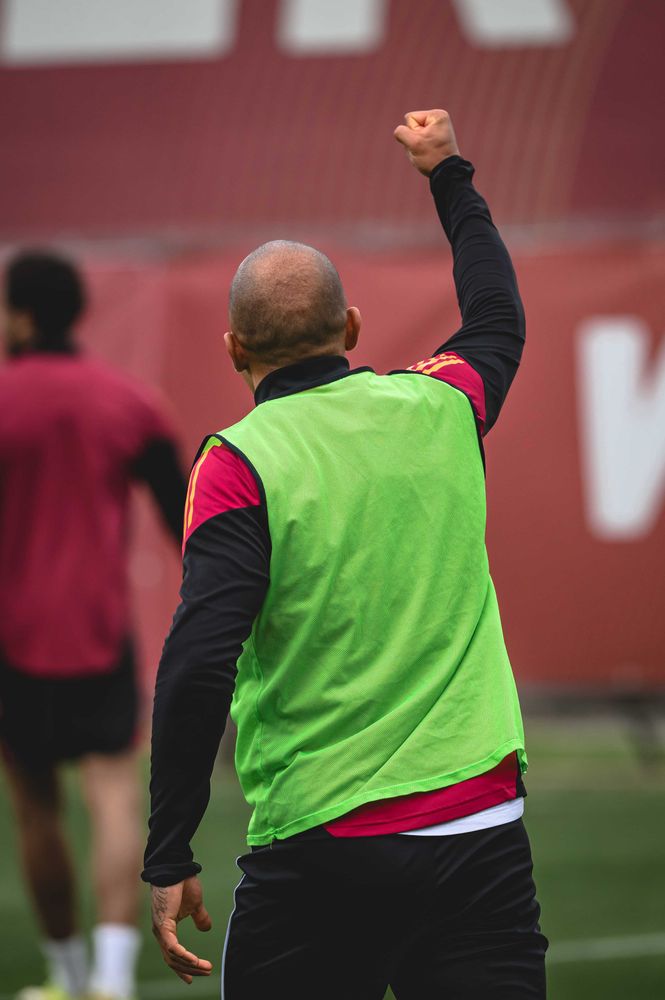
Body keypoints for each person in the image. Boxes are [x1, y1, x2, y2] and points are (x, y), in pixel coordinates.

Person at [142, 109, 548, 998]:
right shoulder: (441, 405)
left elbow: (200, 661)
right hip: (479, 832)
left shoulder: (238, 462)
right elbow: (496, 313)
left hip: (321, 852)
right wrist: (447, 173)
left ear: (234, 350)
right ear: (353, 326)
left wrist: (170, 846)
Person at [0, 251, 188, 1000]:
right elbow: (185, 521)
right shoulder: (129, 402)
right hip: (101, 633)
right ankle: (112, 984)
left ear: (16, 314)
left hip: (12, 641)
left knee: (37, 809)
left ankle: (66, 977)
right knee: (113, 798)